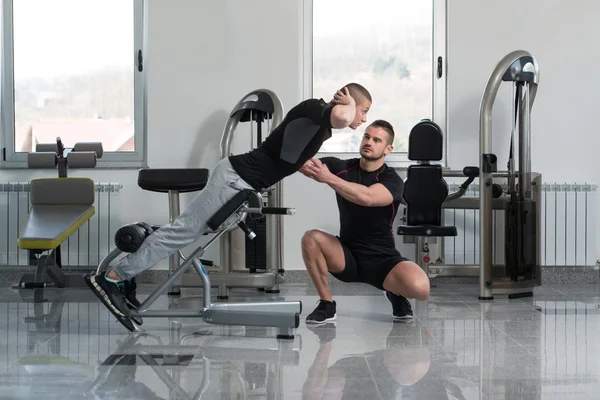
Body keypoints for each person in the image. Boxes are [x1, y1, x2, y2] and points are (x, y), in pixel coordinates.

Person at [84, 83, 373, 330]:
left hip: (239, 180)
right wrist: (347, 103)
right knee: (183, 232)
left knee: (185, 231)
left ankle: (125, 277)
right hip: (234, 179)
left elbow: (283, 152)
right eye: (364, 111)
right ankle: (113, 277)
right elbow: (341, 116)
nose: (362, 118)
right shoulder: (318, 110)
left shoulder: (318, 123)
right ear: (349, 102)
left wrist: (304, 166)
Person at [299, 119, 430, 324]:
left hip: (382, 259)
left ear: (388, 148)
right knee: (311, 238)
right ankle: (327, 304)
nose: (369, 142)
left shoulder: (392, 180)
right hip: (346, 256)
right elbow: (300, 162)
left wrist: (329, 178)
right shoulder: (342, 167)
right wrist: (315, 128)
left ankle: (394, 292)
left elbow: (367, 197)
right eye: (367, 137)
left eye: (377, 140)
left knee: (421, 288)